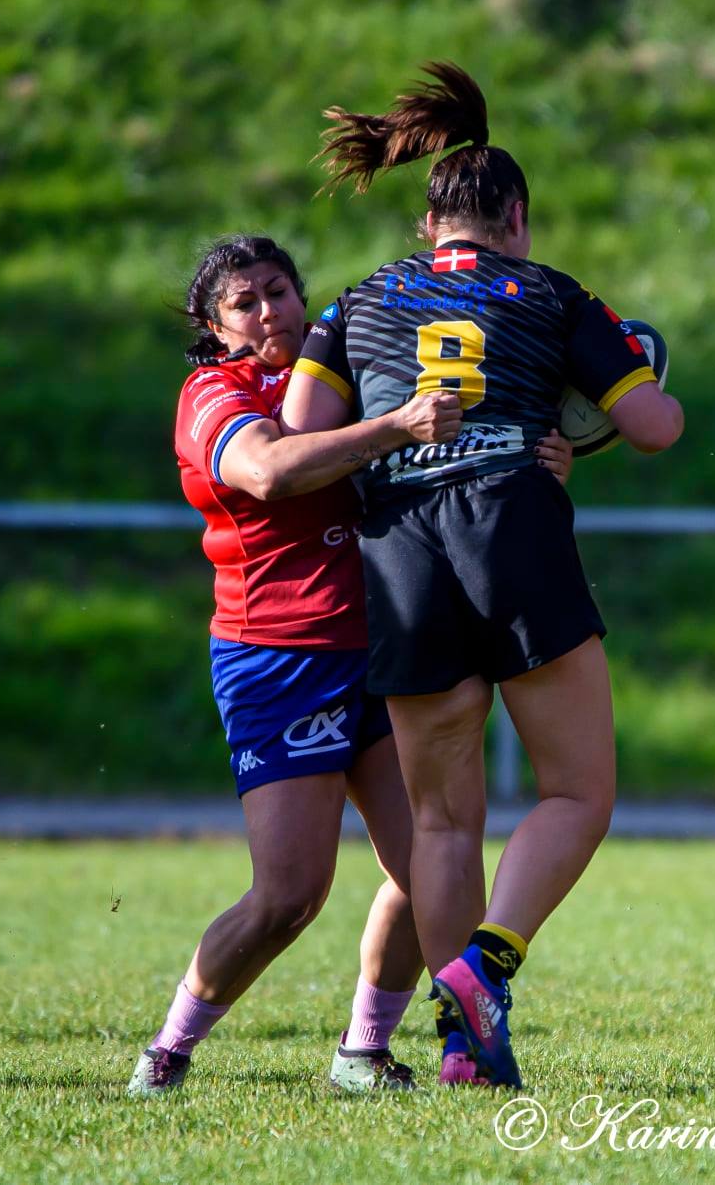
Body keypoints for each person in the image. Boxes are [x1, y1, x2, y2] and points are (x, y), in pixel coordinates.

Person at [280, 62, 684, 1089]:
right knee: (579, 789)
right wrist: (564, 427)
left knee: (446, 820)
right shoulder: (550, 292)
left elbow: (299, 436)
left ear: (428, 224)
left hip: (400, 543)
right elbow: (654, 425)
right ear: (516, 217)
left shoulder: (358, 299)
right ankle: (481, 968)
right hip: (510, 522)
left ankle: (465, 1049)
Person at [129, 234, 576, 1097]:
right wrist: (396, 426)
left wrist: (546, 456)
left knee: (430, 866)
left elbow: (455, 445)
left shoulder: (345, 371)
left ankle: (363, 1051)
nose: (270, 313)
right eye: (245, 304)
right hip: (279, 656)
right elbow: (266, 470)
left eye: (281, 292)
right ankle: (169, 1050)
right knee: (288, 896)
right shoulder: (213, 391)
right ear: (215, 328)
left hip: (384, 641)